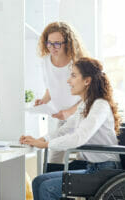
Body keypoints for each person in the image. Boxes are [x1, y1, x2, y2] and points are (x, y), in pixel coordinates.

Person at [20, 57, 122, 200]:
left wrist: (45, 145)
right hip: (92, 168)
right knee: (38, 181)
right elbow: (65, 129)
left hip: (105, 172)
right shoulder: (86, 105)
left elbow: (79, 137)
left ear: (87, 81)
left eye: (73, 75)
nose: (69, 81)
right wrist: (39, 140)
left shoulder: (100, 106)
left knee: (46, 188)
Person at [34, 21, 88, 164]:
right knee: (54, 161)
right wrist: (43, 101)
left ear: (68, 43)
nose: (52, 48)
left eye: (57, 43)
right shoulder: (45, 62)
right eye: (49, 43)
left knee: (83, 158)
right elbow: (51, 88)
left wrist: (70, 111)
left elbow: (88, 95)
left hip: (80, 115)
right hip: (62, 117)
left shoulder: (76, 63)